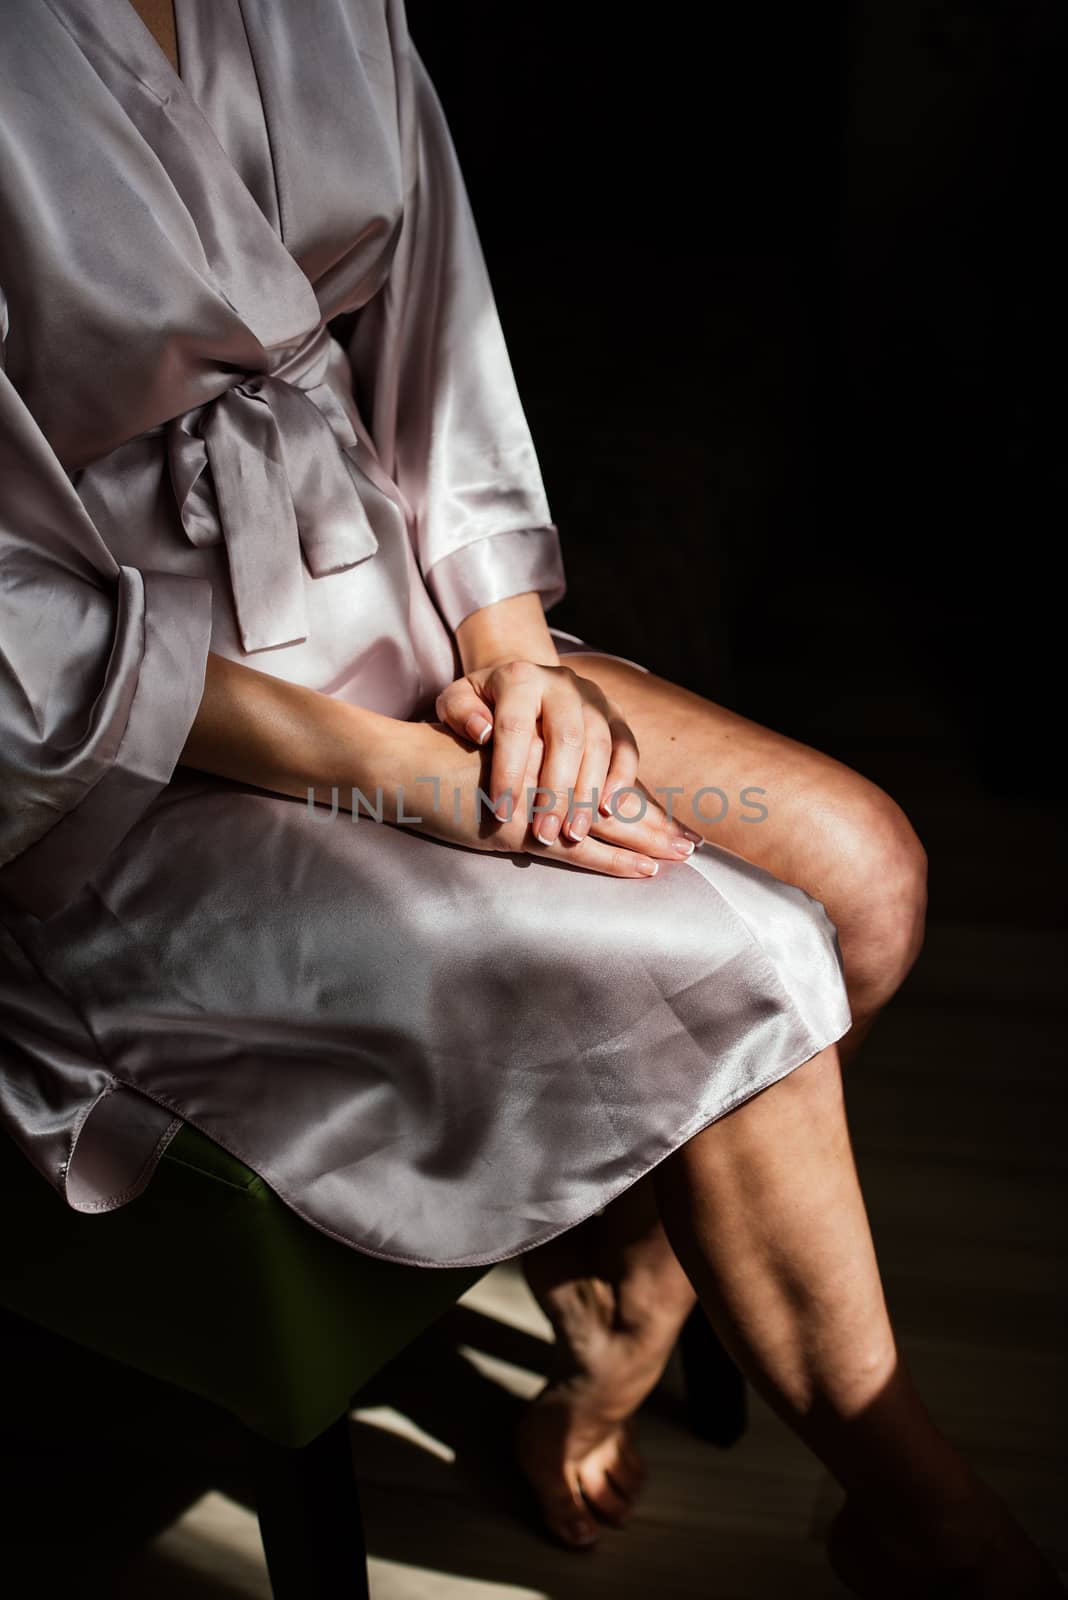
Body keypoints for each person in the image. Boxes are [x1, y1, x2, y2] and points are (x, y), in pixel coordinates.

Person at [0, 3, 1059, 1592]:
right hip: (133, 749)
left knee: (862, 875)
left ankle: (628, 1280)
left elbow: (432, 324)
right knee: (743, 959)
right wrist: (405, 779)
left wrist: (514, 661)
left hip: (394, 606)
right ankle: (920, 1512)